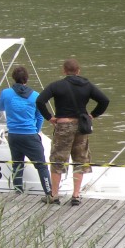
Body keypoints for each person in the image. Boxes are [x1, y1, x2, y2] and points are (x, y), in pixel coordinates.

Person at [35, 58, 110, 206]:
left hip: (63, 126)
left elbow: (39, 101)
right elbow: (104, 100)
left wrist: (50, 117)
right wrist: (92, 115)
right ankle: (76, 195)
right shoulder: (87, 85)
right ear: (78, 71)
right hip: (82, 127)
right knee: (80, 159)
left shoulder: (57, 85)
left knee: (58, 160)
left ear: (64, 71)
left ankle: (54, 195)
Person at [0, 66, 51, 197]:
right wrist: (36, 131)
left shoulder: (6, 93)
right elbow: (40, 116)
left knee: (17, 164)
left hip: (13, 135)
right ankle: (49, 193)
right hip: (30, 135)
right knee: (41, 166)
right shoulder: (36, 96)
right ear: (27, 78)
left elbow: (0, 107)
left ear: (13, 78)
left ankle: (18, 191)